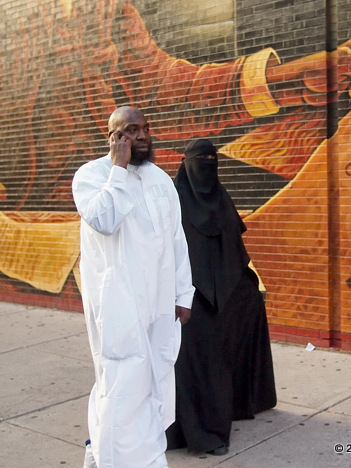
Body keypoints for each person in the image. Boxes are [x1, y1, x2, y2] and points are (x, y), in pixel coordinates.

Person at [72, 106, 195, 468]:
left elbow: (177, 240)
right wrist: (119, 168)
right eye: (129, 131)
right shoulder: (91, 176)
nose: (140, 137)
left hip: (159, 302)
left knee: (156, 377)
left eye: (143, 129)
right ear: (111, 137)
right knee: (121, 383)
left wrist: (183, 294)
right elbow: (105, 219)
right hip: (118, 303)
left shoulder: (160, 180)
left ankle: (135, 454)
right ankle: (110, 457)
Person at [166, 138, 277, 455]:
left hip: (224, 289)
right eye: (200, 158)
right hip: (187, 294)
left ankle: (243, 399)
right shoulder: (174, 203)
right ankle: (197, 431)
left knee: (250, 305)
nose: (207, 163)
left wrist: (246, 286)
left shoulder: (221, 196)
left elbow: (234, 249)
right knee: (197, 351)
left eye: (212, 157)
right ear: (186, 163)